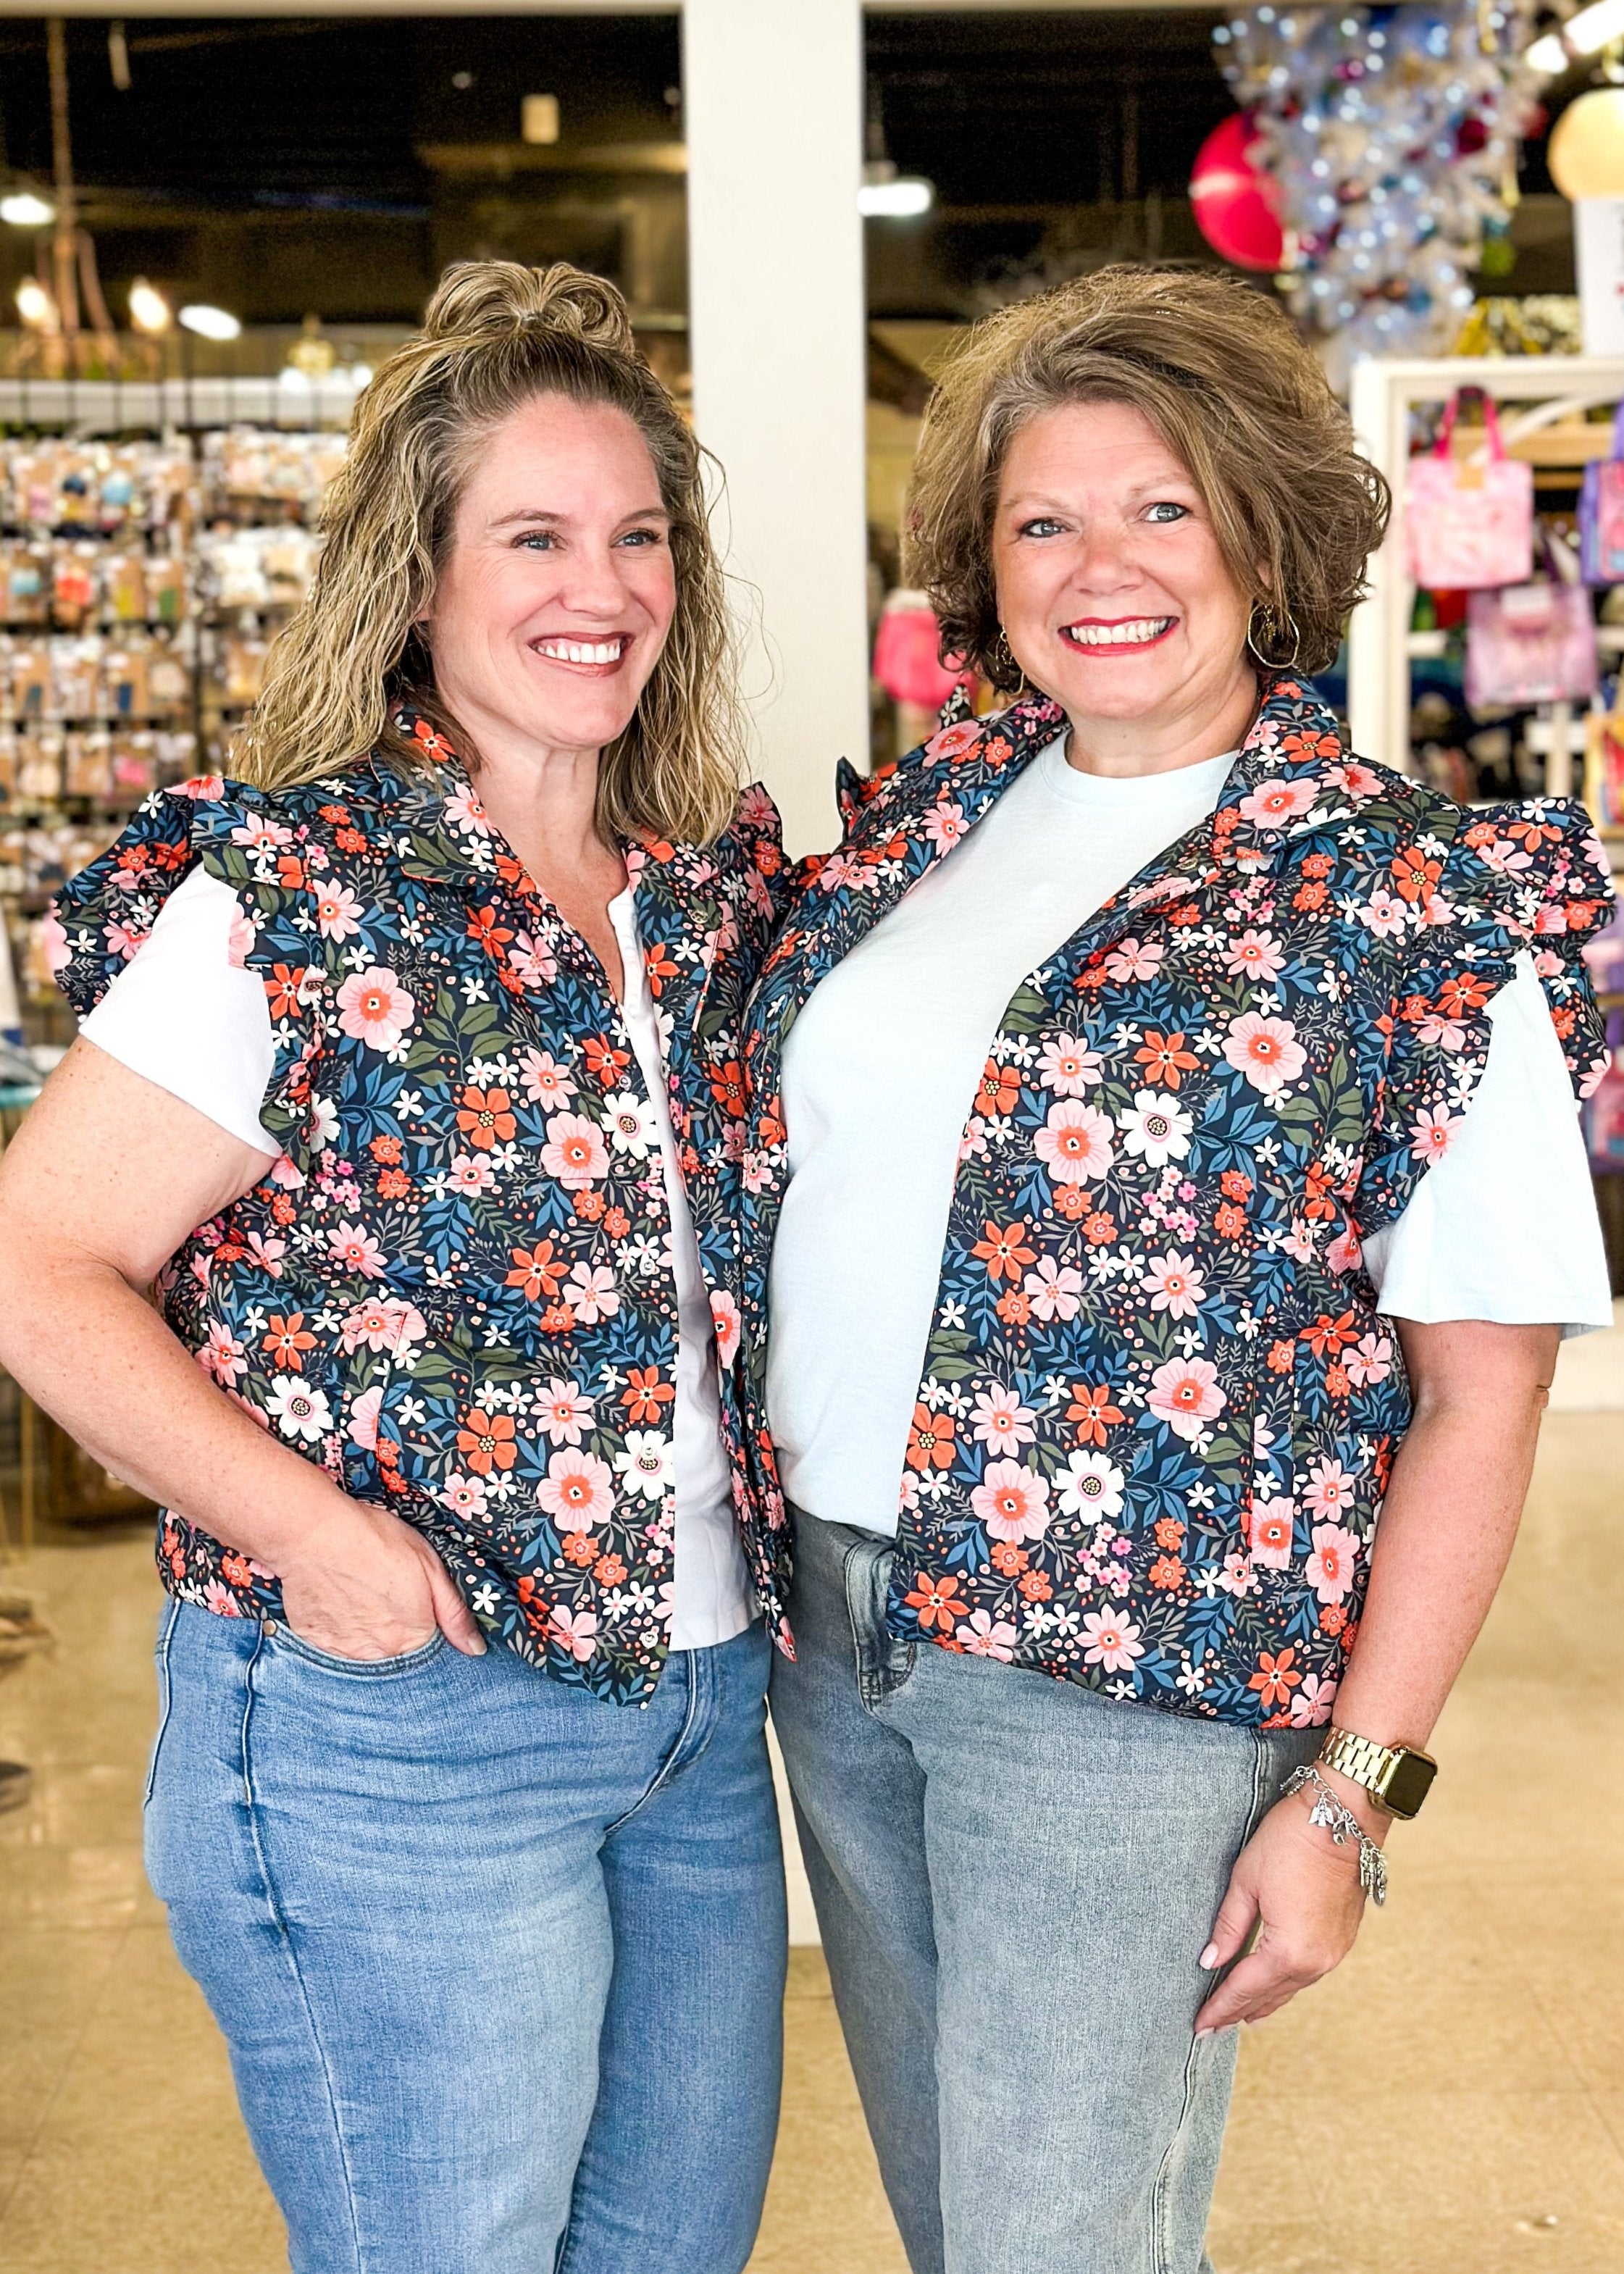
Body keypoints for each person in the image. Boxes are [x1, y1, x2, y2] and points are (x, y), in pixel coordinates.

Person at [737, 267, 1615, 2273]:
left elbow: (1482, 1390)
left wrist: (1350, 1797)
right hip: (835, 1630)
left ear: (1261, 531)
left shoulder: (1396, 894)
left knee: (1062, 2245)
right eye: (1043, 519)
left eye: (1160, 508)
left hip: (1123, 1687)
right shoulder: (921, 828)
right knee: (978, 2222)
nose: (1099, 566)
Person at [0, 261, 790, 2274]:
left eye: (633, 537)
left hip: (693, 1709)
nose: (593, 584)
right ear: (418, 579)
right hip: (395, 1731)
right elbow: (37, 1257)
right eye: (530, 535)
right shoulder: (290, 897)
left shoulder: (701, 892)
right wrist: (313, 1533)